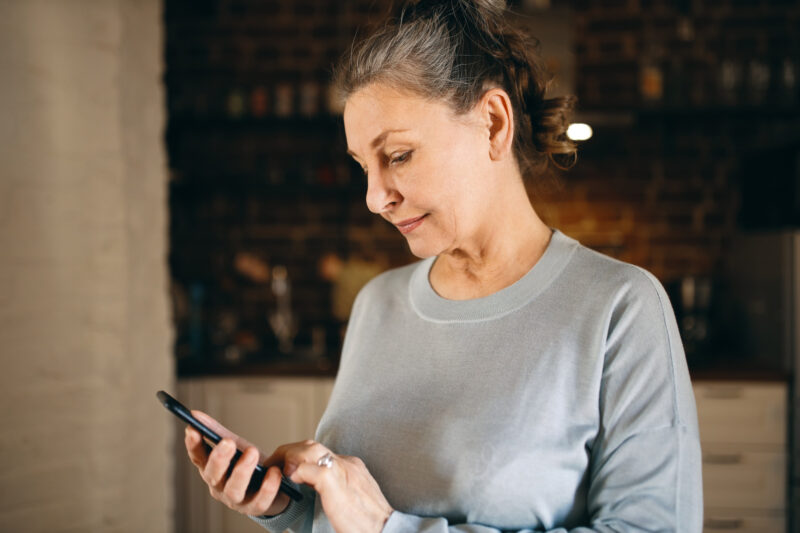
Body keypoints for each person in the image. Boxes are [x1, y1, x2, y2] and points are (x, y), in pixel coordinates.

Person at [183, 0, 703, 531]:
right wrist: (288, 506)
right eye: (363, 166)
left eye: (399, 155)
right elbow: (350, 520)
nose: (373, 197)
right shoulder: (376, 304)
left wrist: (392, 528)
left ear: (493, 123)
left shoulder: (620, 307)